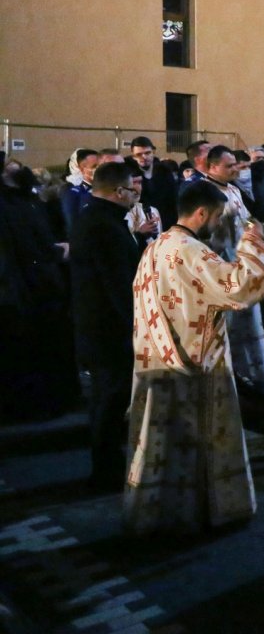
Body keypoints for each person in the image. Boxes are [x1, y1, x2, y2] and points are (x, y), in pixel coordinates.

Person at [125, 180, 264, 535]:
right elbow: (237, 288)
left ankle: (161, 515)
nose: (217, 225)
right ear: (201, 213)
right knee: (196, 439)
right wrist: (251, 245)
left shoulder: (157, 247)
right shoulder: (189, 251)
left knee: (163, 441)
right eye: (216, 217)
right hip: (194, 361)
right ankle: (200, 514)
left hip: (157, 359)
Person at [69, 161, 145, 490]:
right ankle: (105, 470)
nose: (134, 195)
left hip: (99, 323)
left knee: (107, 398)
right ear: (117, 192)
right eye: (131, 190)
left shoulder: (98, 218)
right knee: (109, 398)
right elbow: (116, 283)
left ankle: (106, 465)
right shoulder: (103, 225)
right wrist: (133, 326)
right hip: (107, 327)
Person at [0, 159, 78, 421]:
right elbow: (23, 246)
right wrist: (56, 251)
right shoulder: (8, 204)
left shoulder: (25, 200)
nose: (16, 165)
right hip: (24, 290)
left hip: (43, 286)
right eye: (9, 164)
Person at [200, 145, 264, 383]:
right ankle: (230, 375)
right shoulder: (204, 191)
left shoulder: (233, 190)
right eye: (228, 166)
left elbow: (245, 218)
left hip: (242, 263)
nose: (234, 169)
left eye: (235, 165)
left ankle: (253, 374)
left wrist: (255, 227)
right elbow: (203, 232)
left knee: (249, 321)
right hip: (221, 266)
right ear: (212, 167)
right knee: (227, 325)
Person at [130, 136, 179, 228]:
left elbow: (173, 199)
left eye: (147, 153)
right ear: (133, 156)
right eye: (139, 154)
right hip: (140, 222)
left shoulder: (164, 171)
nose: (144, 157)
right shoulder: (129, 173)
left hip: (166, 220)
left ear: (153, 152)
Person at [60, 147, 99, 233]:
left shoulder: (100, 187)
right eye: (94, 166)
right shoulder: (70, 189)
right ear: (81, 169)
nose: (99, 169)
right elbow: (72, 221)